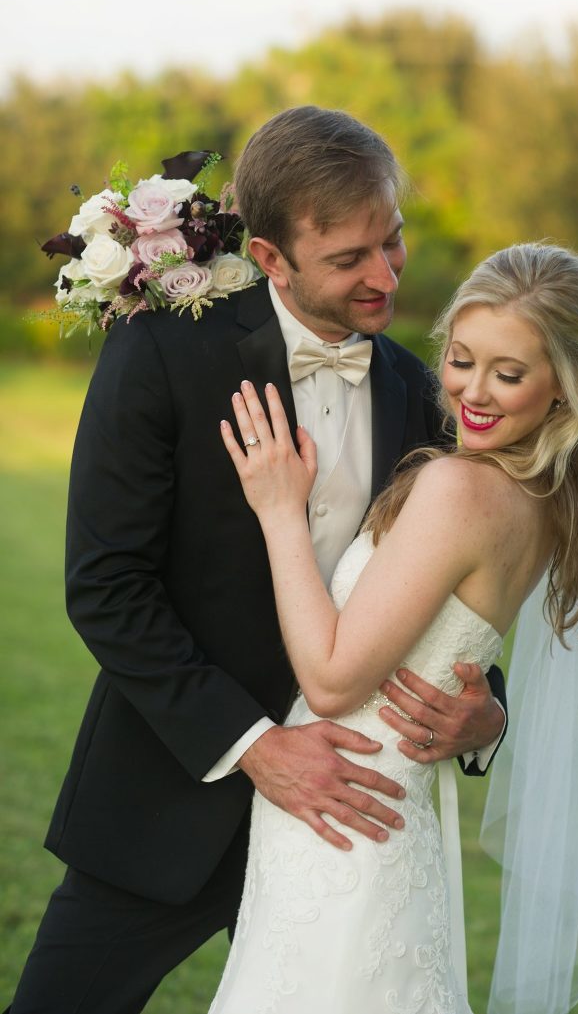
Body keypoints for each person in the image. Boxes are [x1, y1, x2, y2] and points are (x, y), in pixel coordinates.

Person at [5, 107, 506, 1014]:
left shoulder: (420, 393)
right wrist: (255, 746)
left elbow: (451, 586)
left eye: (392, 242)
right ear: (271, 256)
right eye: (349, 258)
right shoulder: (161, 353)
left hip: (347, 823)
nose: (385, 275)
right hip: (167, 794)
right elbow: (106, 586)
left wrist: (488, 712)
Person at [210, 242, 578, 1014]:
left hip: (343, 817)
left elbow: (334, 681)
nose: (474, 391)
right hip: (385, 822)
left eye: (509, 374)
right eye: (463, 359)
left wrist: (279, 511)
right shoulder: (543, 501)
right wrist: (490, 713)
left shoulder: (457, 489)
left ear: (564, 393)